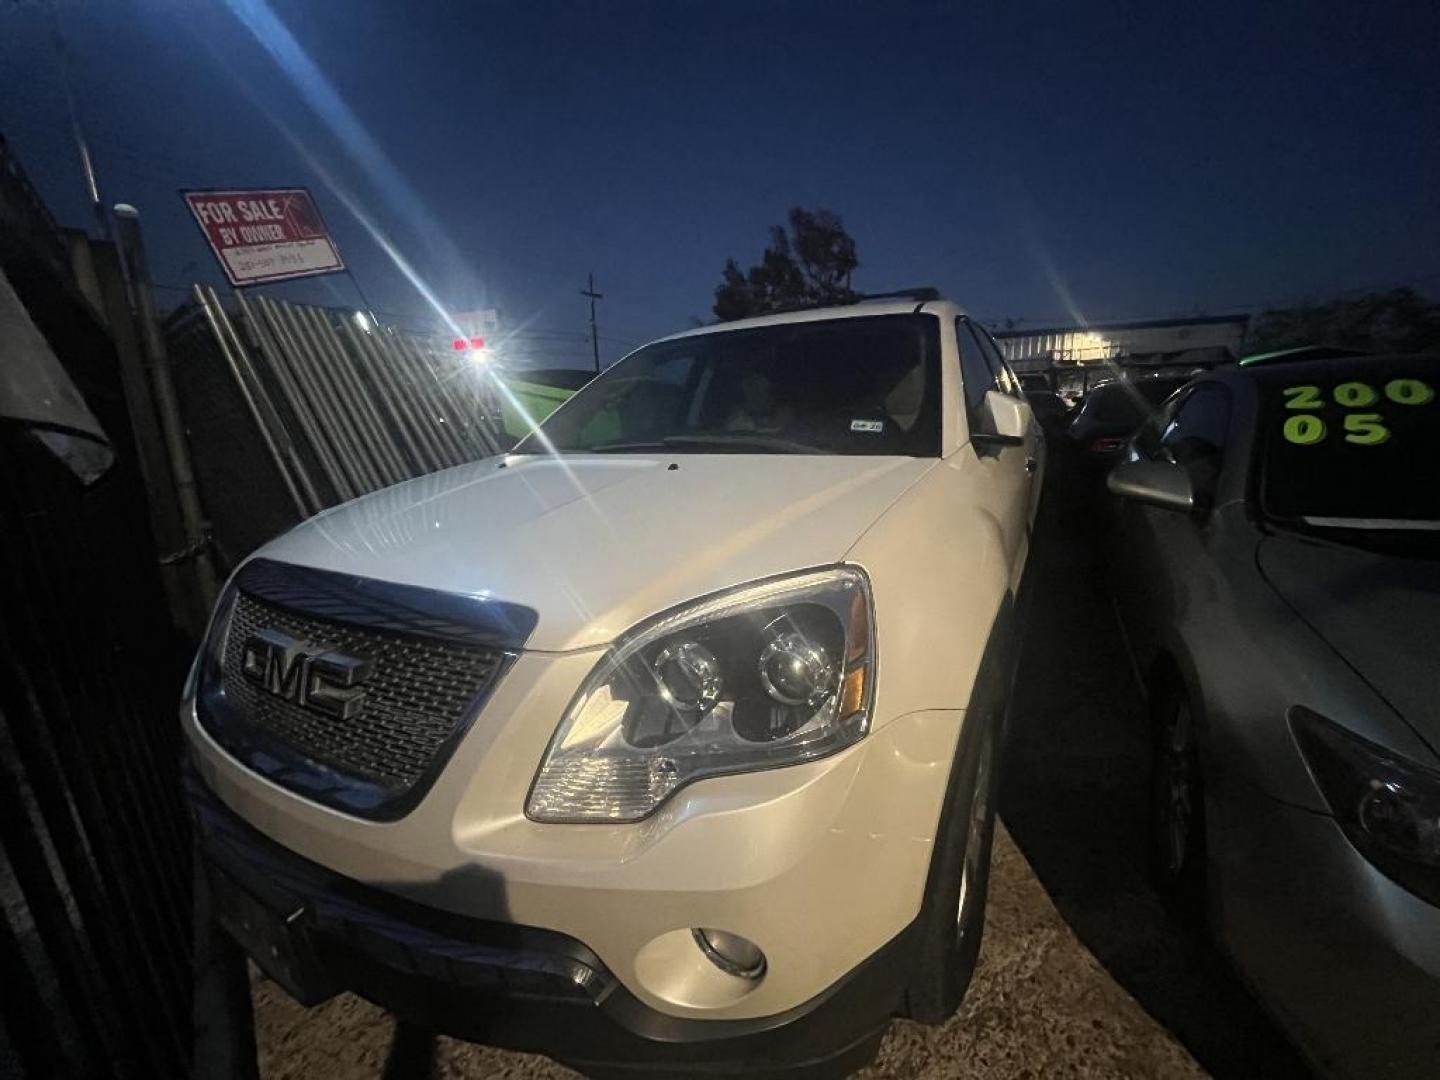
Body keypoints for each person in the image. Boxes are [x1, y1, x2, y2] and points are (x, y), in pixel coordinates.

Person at [725, 371, 792, 432]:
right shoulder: (737, 415)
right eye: (750, 383)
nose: (755, 387)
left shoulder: (783, 413)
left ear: (768, 385)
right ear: (743, 387)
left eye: (759, 382)